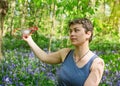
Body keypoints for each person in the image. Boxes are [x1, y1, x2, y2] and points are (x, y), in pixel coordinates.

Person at [22, 18, 104, 86]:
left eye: (76, 30)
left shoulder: (96, 63)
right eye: (70, 31)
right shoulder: (66, 53)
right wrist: (29, 39)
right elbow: (45, 57)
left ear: (88, 34)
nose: (72, 34)